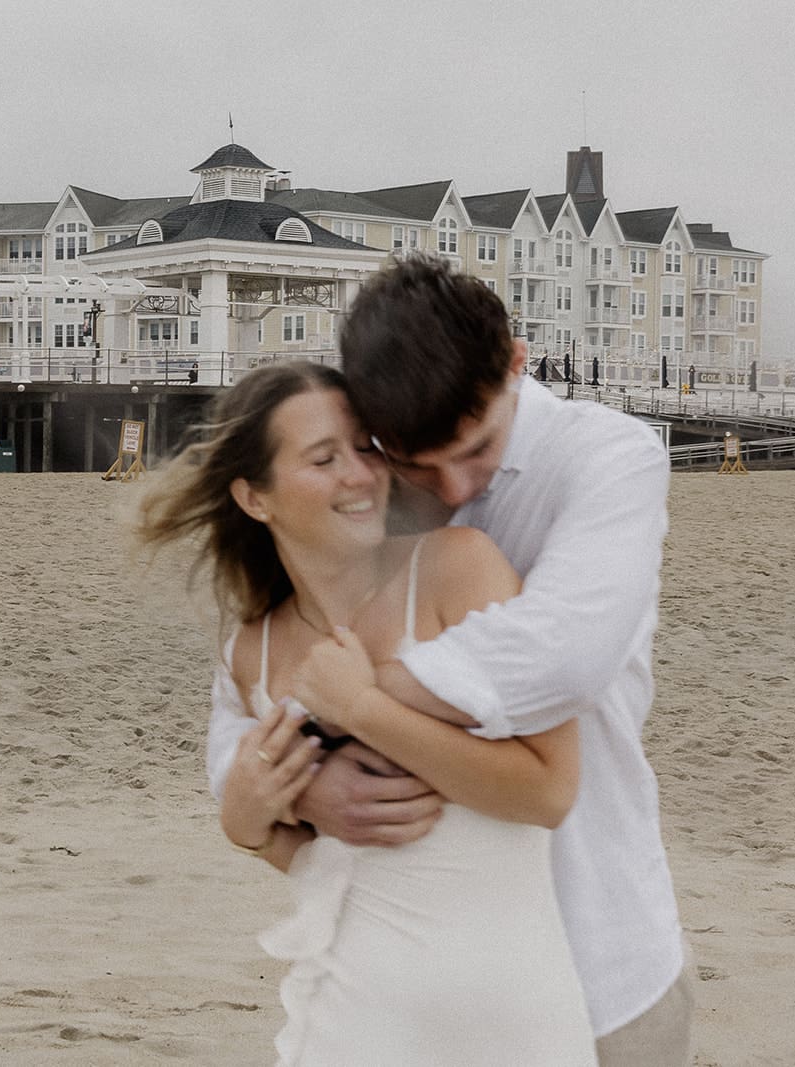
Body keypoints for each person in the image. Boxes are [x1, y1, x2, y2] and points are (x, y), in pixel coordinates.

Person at [211, 255, 692, 1065]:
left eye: (475, 451)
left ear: (515, 359)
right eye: (414, 462)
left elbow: (559, 656)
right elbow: (249, 694)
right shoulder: (376, 484)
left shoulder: (606, 458)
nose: (453, 485)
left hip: (603, 951)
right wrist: (281, 788)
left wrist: (337, 721)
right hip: (392, 992)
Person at [139, 362, 596, 1065]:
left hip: (511, 1021)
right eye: (324, 458)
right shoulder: (251, 654)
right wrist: (248, 822)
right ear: (254, 497)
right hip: (347, 1022)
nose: (360, 474)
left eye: (366, 447)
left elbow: (548, 791)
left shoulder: (457, 571)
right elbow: (322, 857)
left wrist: (362, 708)